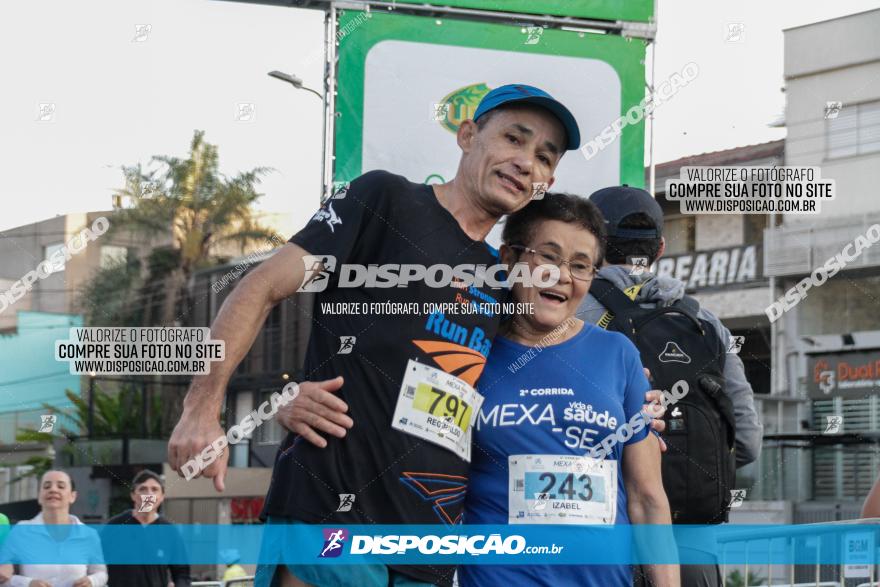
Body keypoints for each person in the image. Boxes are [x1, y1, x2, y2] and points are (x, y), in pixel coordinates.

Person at [168, 83, 582, 587]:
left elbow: (531, 382)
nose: (526, 163)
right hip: (331, 518)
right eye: (514, 140)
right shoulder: (384, 199)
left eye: (543, 157)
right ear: (468, 135)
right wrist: (202, 408)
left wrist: (635, 402)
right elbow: (261, 286)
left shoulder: (502, 279)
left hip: (428, 546)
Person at [459, 193, 678, 586]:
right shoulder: (469, 352)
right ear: (508, 259)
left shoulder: (619, 355)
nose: (562, 275)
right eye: (548, 256)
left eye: (580, 266)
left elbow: (648, 499)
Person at [578, 185, 763, 587]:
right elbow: (746, 441)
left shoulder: (567, 314)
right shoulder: (705, 322)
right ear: (660, 248)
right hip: (692, 544)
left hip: (601, 539)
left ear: (590, 243)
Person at [0, 470, 108, 587]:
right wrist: (27, 583)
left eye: (61, 486)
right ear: (39, 496)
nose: (53, 489)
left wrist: (92, 581)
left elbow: (101, 573)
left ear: (72, 496)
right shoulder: (21, 531)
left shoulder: (89, 535)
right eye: (46, 486)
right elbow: (4, 578)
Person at [103, 469, 191, 587]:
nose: (149, 494)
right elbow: (95, 565)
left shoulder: (170, 532)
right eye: (143, 489)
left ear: (162, 497)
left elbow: (182, 573)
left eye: (154, 489)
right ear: (133, 495)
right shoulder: (114, 527)